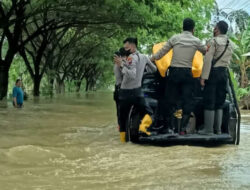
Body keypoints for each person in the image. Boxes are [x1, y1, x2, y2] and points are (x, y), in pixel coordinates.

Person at [150, 18, 207, 135]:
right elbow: (206, 52)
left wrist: (150, 59)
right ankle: (182, 129)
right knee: (188, 101)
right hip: (187, 74)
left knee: (169, 100)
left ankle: (169, 128)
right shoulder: (196, 41)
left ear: (183, 28)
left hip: (174, 73)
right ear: (193, 29)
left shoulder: (175, 38)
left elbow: (161, 52)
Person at [114, 37, 157, 142]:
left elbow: (131, 74)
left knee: (122, 119)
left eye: (126, 47)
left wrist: (122, 65)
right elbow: (154, 69)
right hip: (137, 92)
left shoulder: (131, 58)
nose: (125, 49)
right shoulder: (144, 57)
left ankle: (123, 142)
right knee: (150, 112)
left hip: (125, 92)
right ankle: (143, 127)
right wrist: (142, 72)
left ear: (132, 46)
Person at [199, 21, 233, 135]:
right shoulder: (230, 43)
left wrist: (203, 77)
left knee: (209, 100)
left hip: (213, 73)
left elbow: (208, 60)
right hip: (224, 74)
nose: (213, 30)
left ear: (217, 29)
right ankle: (218, 130)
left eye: (214, 28)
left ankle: (208, 130)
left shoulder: (213, 41)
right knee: (220, 101)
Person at [113, 47, 127, 130]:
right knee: (120, 109)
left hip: (118, 89)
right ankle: (121, 126)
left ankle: (121, 125)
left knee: (119, 109)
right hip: (120, 89)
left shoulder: (117, 64)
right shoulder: (119, 65)